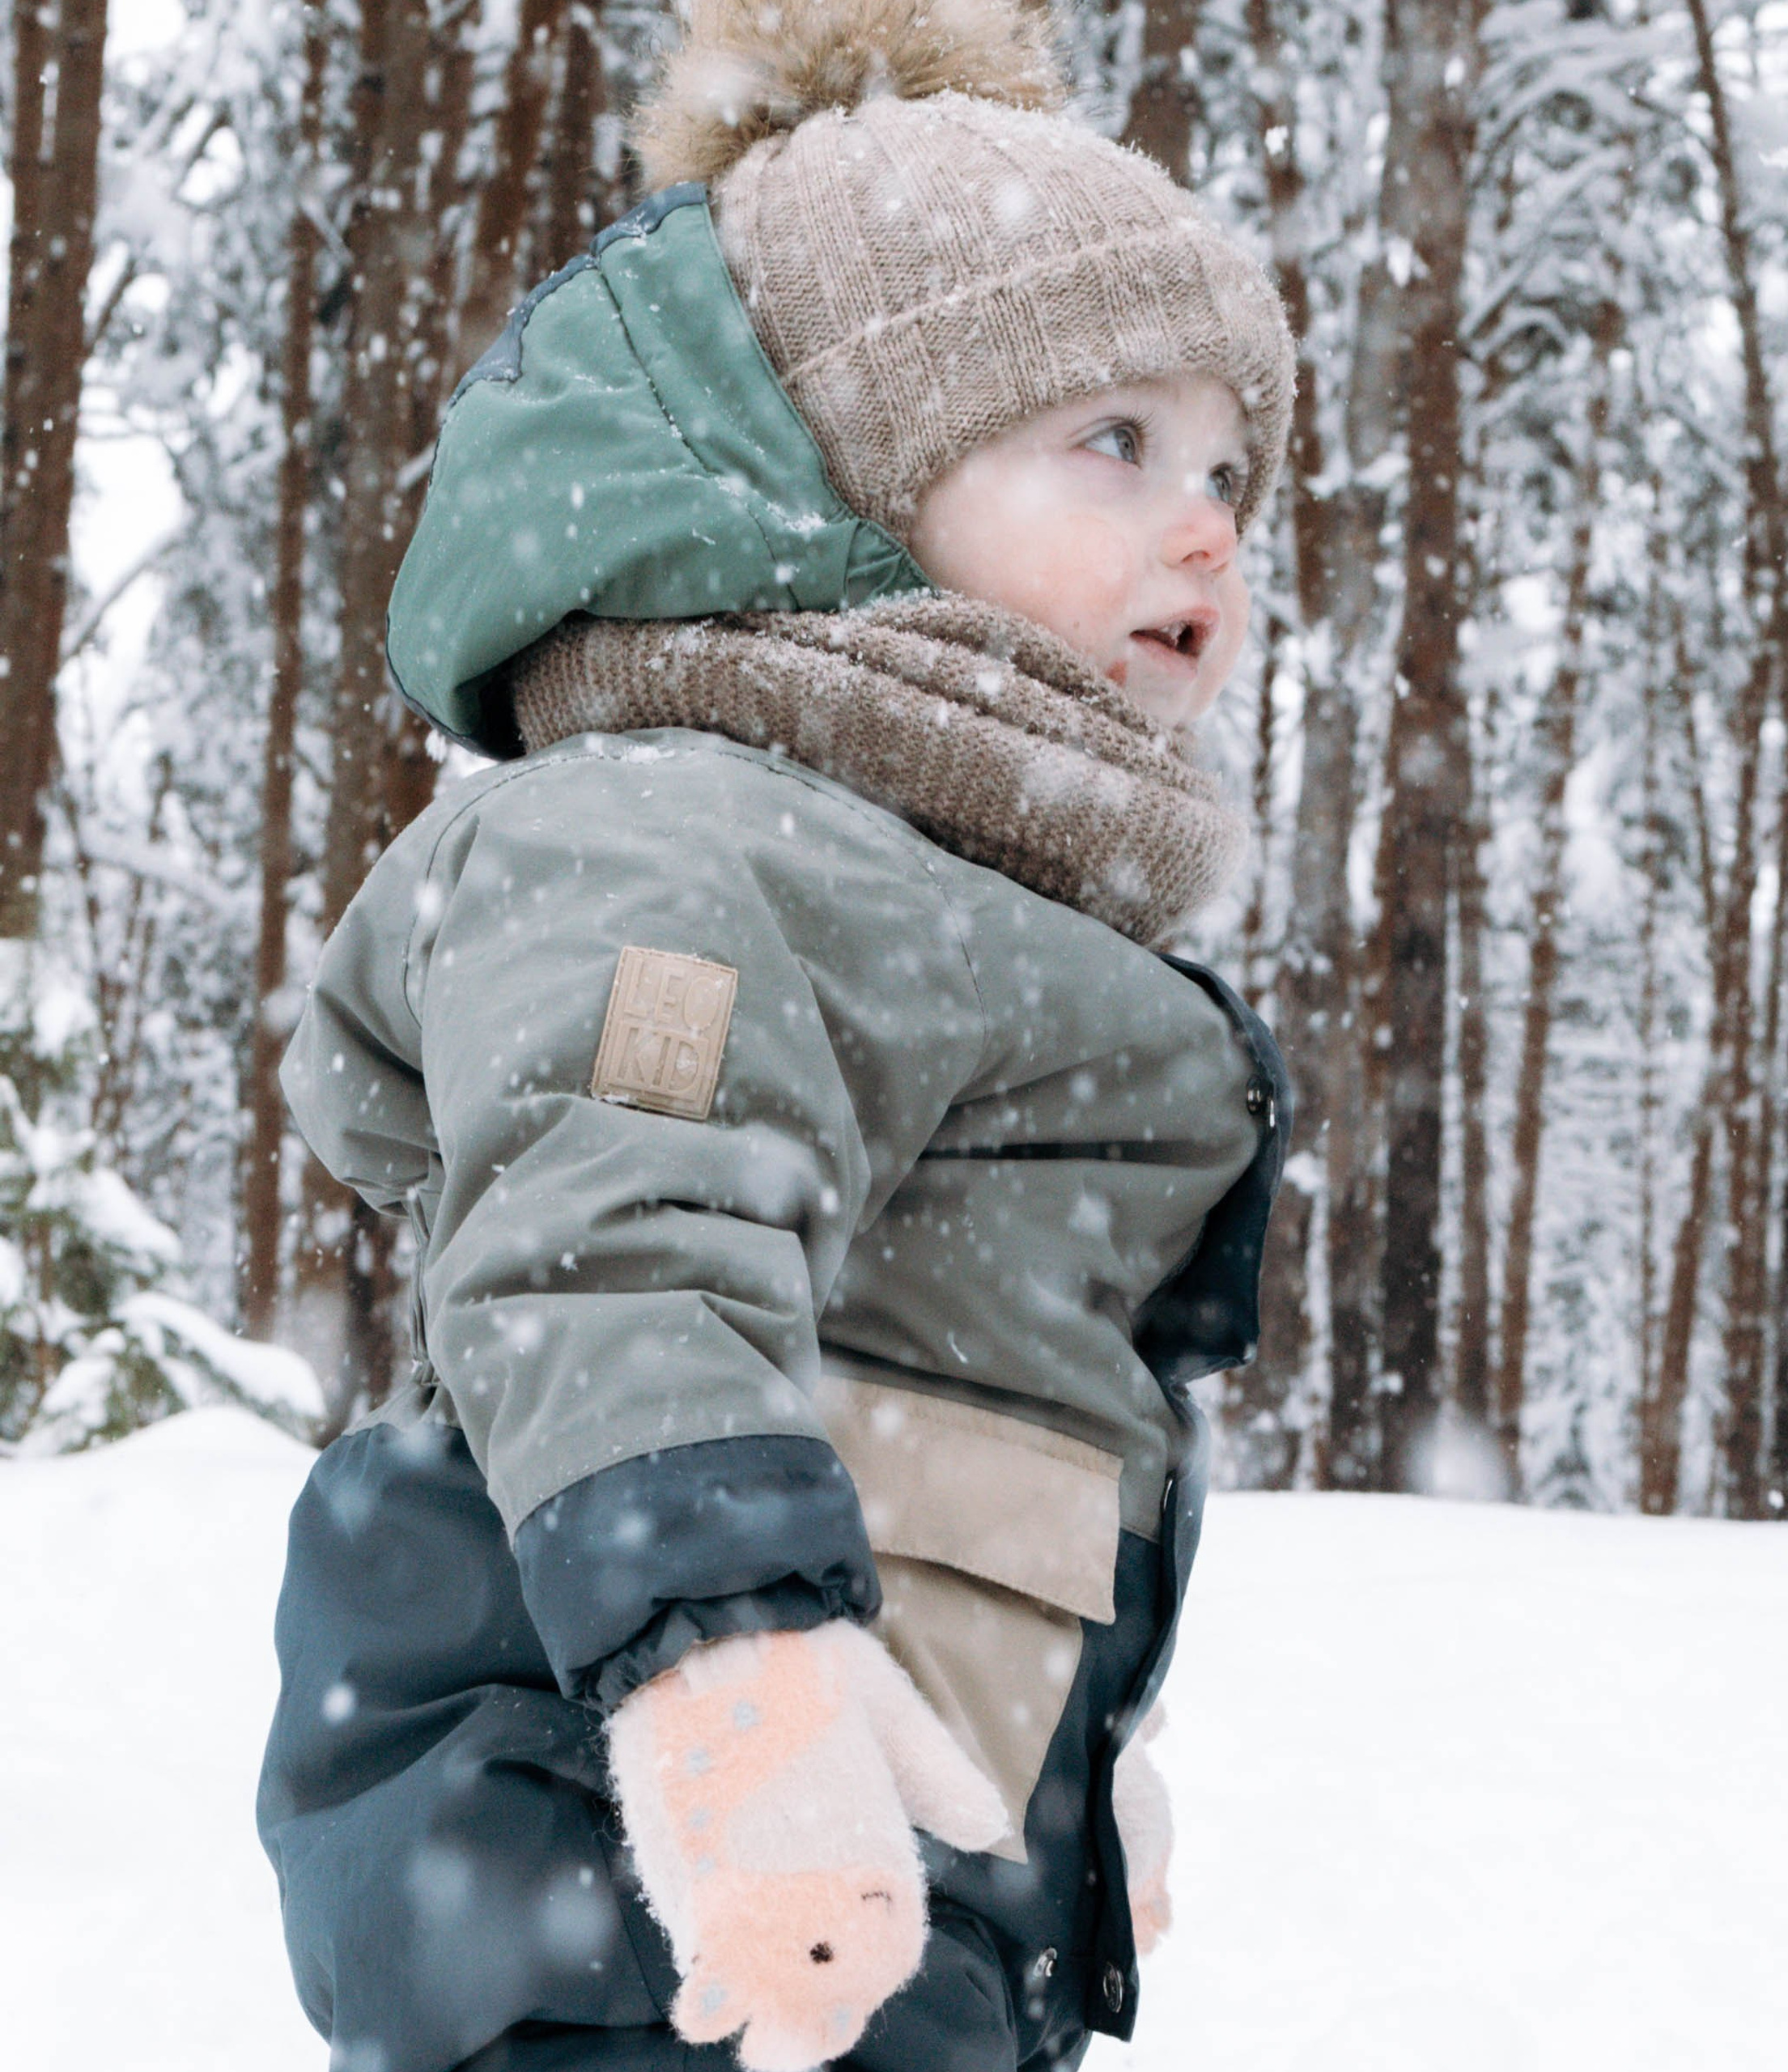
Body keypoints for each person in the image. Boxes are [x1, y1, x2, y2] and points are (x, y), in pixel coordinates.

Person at [256, 2, 1294, 2067]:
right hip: (621, 1838)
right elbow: (610, 1249)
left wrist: (1068, 1761)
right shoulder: (680, 830)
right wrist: (730, 1688)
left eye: (1228, 469)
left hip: (874, 1854)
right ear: (846, 476)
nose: (1206, 529)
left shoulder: (945, 889)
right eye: (1111, 440)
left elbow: (984, 1404)